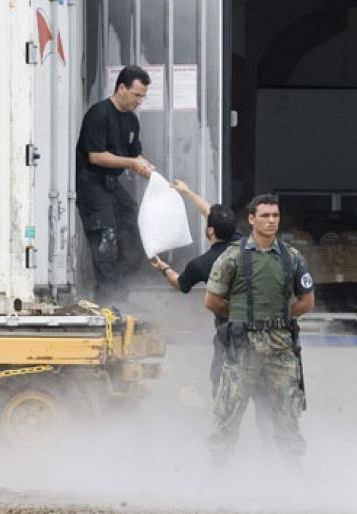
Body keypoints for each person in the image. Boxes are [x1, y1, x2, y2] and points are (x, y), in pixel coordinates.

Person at [204, 193, 314, 466]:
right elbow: (212, 301)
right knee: (228, 410)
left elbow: (307, 301)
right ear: (251, 219)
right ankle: (216, 473)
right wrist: (244, 317)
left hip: (281, 346)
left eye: (275, 215)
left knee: (287, 411)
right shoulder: (233, 257)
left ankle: (294, 473)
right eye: (265, 215)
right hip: (244, 345)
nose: (271, 221)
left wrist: (279, 318)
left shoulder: (292, 257)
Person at [75, 65, 154, 303]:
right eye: (137, 94)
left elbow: (135, 154)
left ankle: (118, 288)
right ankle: (107, 297)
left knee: (134, 228)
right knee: (105, 238)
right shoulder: (99, 114)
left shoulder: (131, 121)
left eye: (143, 96)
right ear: (121, 88)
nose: (139, 101)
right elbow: (96, 156)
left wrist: (148, 170)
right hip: (91, 182)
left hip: (112, 184)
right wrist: (132, 163)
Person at [151, 179, 237, 395]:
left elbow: (180, 284)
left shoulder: (201, 264)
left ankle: (225, 420)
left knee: (223, 384)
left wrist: (163, 268)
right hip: (258, 329)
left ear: (210, 231)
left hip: (230, 331)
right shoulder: (245, 244)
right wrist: (189, 193)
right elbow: (213, 215)